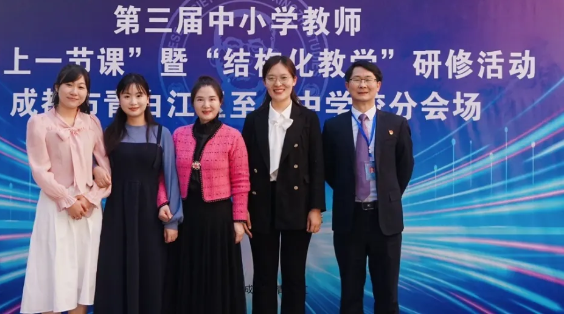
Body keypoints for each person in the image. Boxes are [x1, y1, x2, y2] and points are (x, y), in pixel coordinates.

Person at [322, 60, 414, 314]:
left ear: (378, 85)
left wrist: (388, 195)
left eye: (368, 80)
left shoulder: (396, 124)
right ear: (347, 86)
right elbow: (328, 169)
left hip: (386, 221)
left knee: (387, 294)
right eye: (356, 79)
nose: (362, 85)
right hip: (349, 219)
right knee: (350, 293)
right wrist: (348, 190)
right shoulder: (334, 127)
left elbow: (404, 166)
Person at [21, 64, 111, 314]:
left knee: (83, 273)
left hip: (88, 210)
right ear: (57, 88)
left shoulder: (92, 123)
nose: (74, 91)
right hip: (55, 207)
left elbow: (106, 168)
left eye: (81, 87)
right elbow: (40, 170)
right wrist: (67, 200)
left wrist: (90, 198)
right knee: (52, 272)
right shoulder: (39, 122)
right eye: (69, 85)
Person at [241, 55, 326, 314]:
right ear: (264, 82)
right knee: (263, 274)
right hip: (261, 203)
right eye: (271, 78)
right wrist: (242, 207)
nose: (278, 84)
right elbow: (243, 168)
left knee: (294, 274)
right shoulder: (254, 119)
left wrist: (315, 208)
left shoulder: (308, 118)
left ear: (294, 80)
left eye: (284, 78)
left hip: (297, 204)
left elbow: (317, 165)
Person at [93, 73, 183, 314]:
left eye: (139, 95)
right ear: (119, 99)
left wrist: (172, 222)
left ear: (148, 98)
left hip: (150, 215)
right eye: (127, 96)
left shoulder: (161, 133)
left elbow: (171, 178)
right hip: (116, 214)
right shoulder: (109, 134)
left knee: (151, 271)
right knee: (114, 270)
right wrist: (93, 169)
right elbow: (90, 164)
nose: (133, 101)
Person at [163, 75, 250, 314]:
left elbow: (241, 180)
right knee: (186, 275)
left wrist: (239, 218)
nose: (206, 105)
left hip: (219, 218)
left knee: (217, 278)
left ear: (221, 101)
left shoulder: (233, 136)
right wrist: (165, 206)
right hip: (185, 216)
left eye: (212, 99)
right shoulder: (179, 134)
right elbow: (166, 175)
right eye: (200, 100)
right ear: (192, 103)